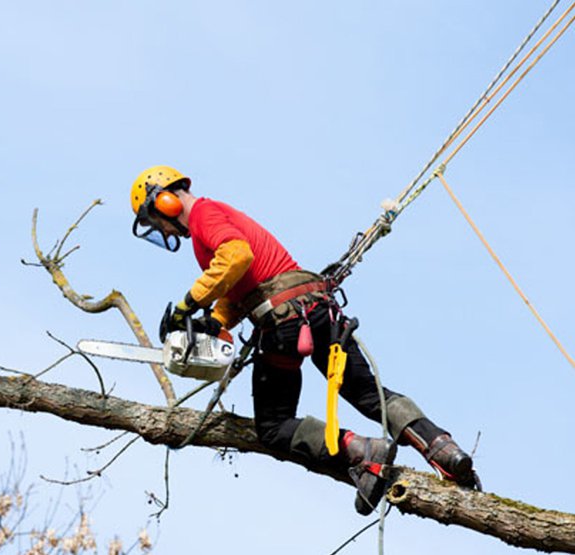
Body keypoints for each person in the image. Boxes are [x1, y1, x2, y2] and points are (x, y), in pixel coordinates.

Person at [129, 165, 478, 514]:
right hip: (317, 311)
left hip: (285, 323)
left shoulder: (204, 214)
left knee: (274, 426)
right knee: (365, 391)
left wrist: (187, 305)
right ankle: (443, 448)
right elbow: (239, 286)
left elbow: (237, 256)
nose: (160, 228)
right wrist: (214, 321)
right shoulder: (215, 218)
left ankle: (361, 452)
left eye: (154, 219)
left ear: (165, 201)